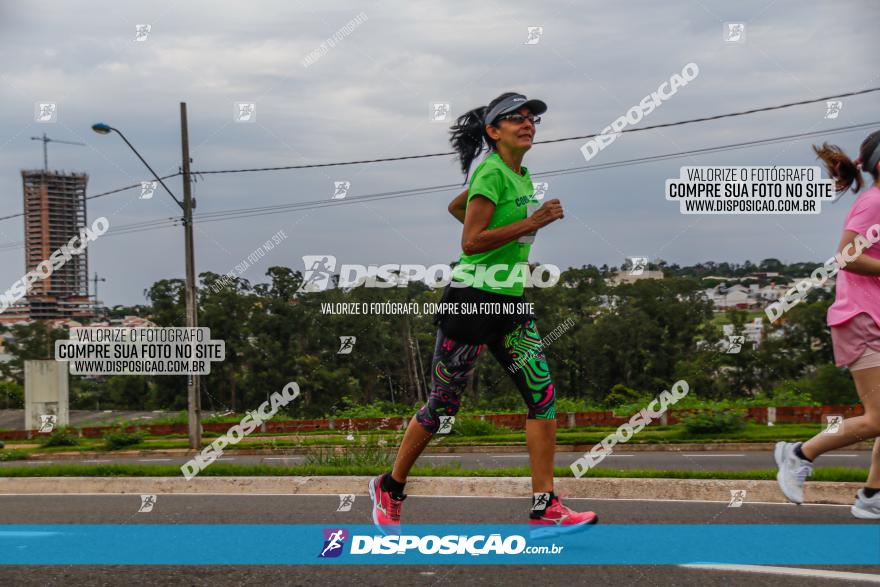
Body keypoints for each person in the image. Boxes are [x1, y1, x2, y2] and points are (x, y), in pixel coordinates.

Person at [369, 92, 598, 534]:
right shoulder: (493, 171)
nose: (528, 123)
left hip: (509, 301)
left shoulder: (517, 175)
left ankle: (545, 504)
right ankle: (389, 487)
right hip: (472, 298)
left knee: (542, 397)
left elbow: (459, 207)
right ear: (494, 131)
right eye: (517, 118)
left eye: (532, 119)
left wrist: (515, 224)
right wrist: (534, 222)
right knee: (442, 405)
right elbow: (471, 242)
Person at [775, 130, 880, 519]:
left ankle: (872, 495)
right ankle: (799, 454)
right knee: (878, 418)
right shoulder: (874, 203)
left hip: (875, 314)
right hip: (861, 317)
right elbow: (847, 257)